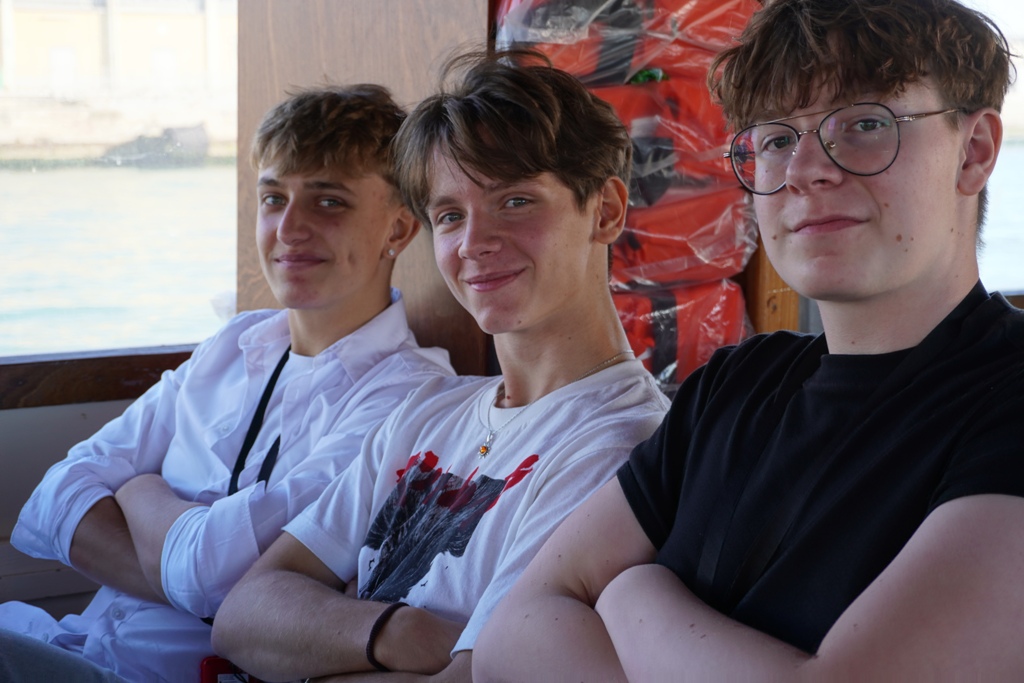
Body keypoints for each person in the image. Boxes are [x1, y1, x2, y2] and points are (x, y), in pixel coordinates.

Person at [474, 0, 1024, 680]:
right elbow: (509, 638)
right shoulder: (732, 386)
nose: (805, 170)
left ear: (974, 152)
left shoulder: (1006, 402)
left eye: (864, 125)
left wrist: (629, 592)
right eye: (775, 140)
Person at [209, 49, 671, 683]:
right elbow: (242, 615)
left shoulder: (621, 447)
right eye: (450, 215)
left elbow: (475, 678)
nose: (474, 243)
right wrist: (402, 632)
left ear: (607, 211)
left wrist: (322, 634)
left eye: (515, 201)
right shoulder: (427, 410)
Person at [0, 84, 455, 683]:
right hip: (76, 642)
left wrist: (139, 490)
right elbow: (55, 498)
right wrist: (200, 581)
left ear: (398, 230)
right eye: (273, 198)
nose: (288, 228)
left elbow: (210, 573)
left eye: (329, 202)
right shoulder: (233, 344)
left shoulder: (411, 396)